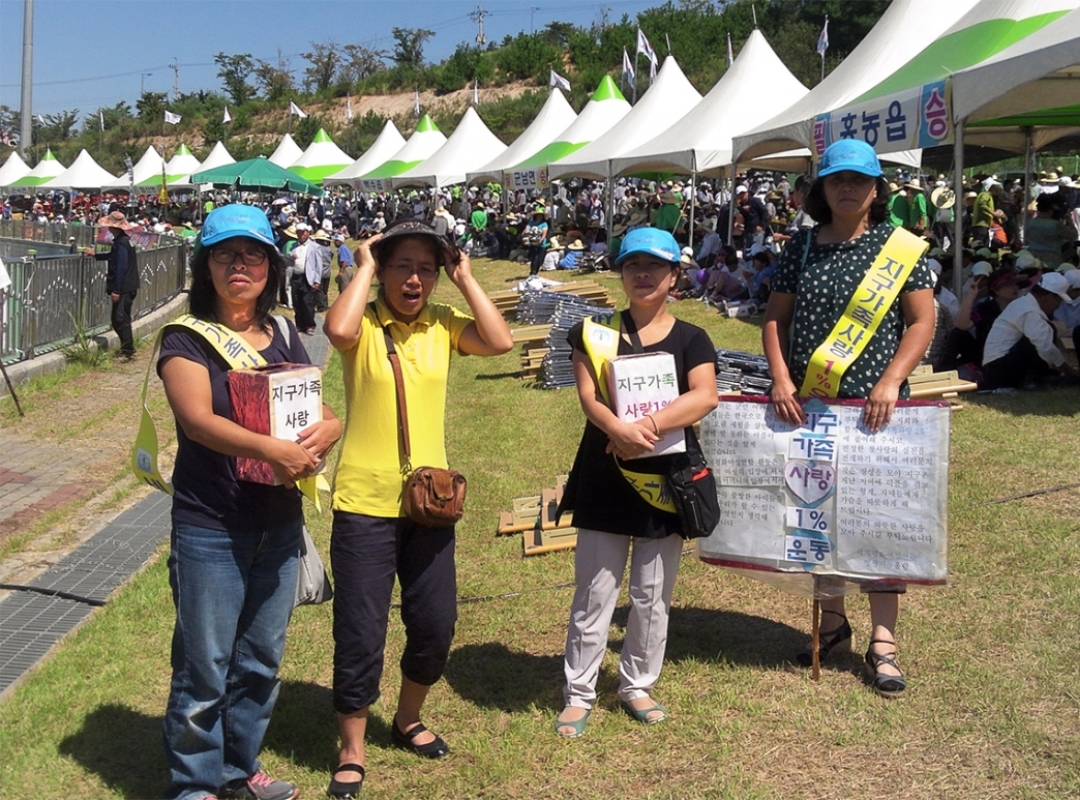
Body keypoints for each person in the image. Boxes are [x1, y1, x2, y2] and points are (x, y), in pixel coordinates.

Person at [322, 219, 512, 798]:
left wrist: (465, 278)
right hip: (364, 503)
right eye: (402, 265)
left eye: (425, 268)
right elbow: (336, 329)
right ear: (383, 270)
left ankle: (408, 717)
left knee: (435, 623)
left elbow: (501, 340)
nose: (414, 279)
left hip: (431, 503)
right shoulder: (365, 323)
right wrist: (364, 267)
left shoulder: (444, 325)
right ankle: (351, 748)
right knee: (360, 631)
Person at [158, 205, 342, 800]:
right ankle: (195, 784)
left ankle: (240, 769)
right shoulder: (185, 338)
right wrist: (272, 448)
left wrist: (329, 429)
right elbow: (198, 422)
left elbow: (313, 406)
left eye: (253, 254)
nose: (240, 265)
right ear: (204, 265)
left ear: (271, 266)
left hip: (279, 522)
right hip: (212, 524)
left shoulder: (285, 332)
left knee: (261, 659)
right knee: (205, 665)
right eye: (225, 254)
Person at [762, 139, 936, 698]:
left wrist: (890, 380)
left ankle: (883, 641)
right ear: (821, 189)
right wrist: (782, 377)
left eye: (858, 180)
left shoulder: (903, 249)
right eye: (836, 179)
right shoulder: (803, 248)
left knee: (882, 518)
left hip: (877, 409)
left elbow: (921, 321)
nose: (846, 188)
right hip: (811, 405)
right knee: (818, 513)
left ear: (877, 189)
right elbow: (775, 319)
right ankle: (832, 622)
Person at [553, 227, 718, 738]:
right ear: (621, 273)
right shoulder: (594, 331)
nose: (642, 275)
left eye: (654, 267)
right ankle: (579, 691)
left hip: (665, 479)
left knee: (652, 591)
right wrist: (617, 429)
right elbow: (588, 395)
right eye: (632, 266)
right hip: (606, 473)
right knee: (595, 589)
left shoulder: (692, 338)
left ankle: (636, 683)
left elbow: (705, 396)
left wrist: (643, 428)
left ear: (674, 276)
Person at [980, 272, 1080, 390]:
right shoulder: (1028, 310)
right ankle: (1032, 380)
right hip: (998, 370)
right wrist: (1069, 370)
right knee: (1035, 340)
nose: (1057, 306)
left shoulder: (1025, 303)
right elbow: (1045, 347)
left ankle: (1040, 376)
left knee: (1048, 329)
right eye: (1058, 301)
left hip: (998, 367)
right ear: (1048, 297)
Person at [84, 210, 140, 360]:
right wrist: (96, 255)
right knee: (121, 319)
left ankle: (128, 351)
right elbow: (113, 257)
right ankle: (126, 349)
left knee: (120, 320)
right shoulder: (124, 241)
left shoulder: (122, 243)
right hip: (129, 286)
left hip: (124, 287)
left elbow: (121, 267)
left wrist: (116, 290)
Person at [523, 205, 549, 276]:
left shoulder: (544, 224)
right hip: (533, 243)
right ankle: (533, 273)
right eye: (538, 215)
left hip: (542, 244)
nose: (539, 217)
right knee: (534, 258)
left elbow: (544, 233)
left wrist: (541, 239)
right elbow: (527, 229)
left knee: (540, 260)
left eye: (541, 215)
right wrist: (525, 233)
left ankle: (536, 271)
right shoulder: (531, 223)